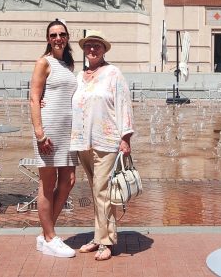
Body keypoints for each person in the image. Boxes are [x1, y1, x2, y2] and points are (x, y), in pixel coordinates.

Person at [70, 30, 134, 262]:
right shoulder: (79, 76)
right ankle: (98, 236)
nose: (93, 49)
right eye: (89, 46)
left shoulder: (113, 73)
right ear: (84, 50)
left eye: (97, 46)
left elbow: (124, 104)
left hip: (106, 140)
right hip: (83, 141)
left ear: (104, 49)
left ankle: (107, 241)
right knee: (96, 191)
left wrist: (125, 138)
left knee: (103, 191)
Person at [28, 19, 78, 258]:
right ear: (48, 39)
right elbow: (34, 98)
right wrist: (39, 133)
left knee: (68, 181)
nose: (58, 38)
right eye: (53, 35)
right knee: (47, 185)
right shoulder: (43, 62)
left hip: (67, 132)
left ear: (67, 37)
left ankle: (47, 233)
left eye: (62, 34)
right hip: (48, 131)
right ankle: (49, 237)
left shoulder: (68, 64)